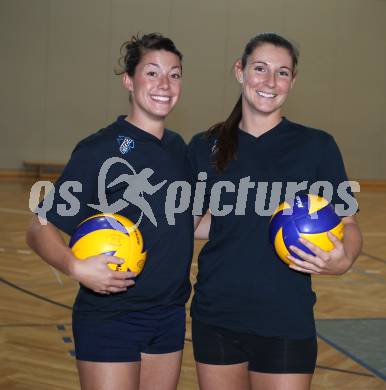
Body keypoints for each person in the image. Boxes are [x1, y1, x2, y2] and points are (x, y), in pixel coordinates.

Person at [189, 32, 362, 390]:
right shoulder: (206, 146)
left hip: (286, 316)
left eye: (282, 73)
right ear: (240, 71)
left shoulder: (316, 146)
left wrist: (344, 260)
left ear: (293, 81)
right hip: (218, 312)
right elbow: (196, 223)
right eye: (260, 68)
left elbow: (348, 222)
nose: (270, 82)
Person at [26, 33, 193, 390]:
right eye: (152, 73)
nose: (165, 84)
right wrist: (74, 266)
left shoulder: (180, 149)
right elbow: (39, 227)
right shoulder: (99, 150)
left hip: (169, 315)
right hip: (111, 315)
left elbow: (185, 220)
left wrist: (258, 222)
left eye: (175, 74)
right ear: (129, 81)